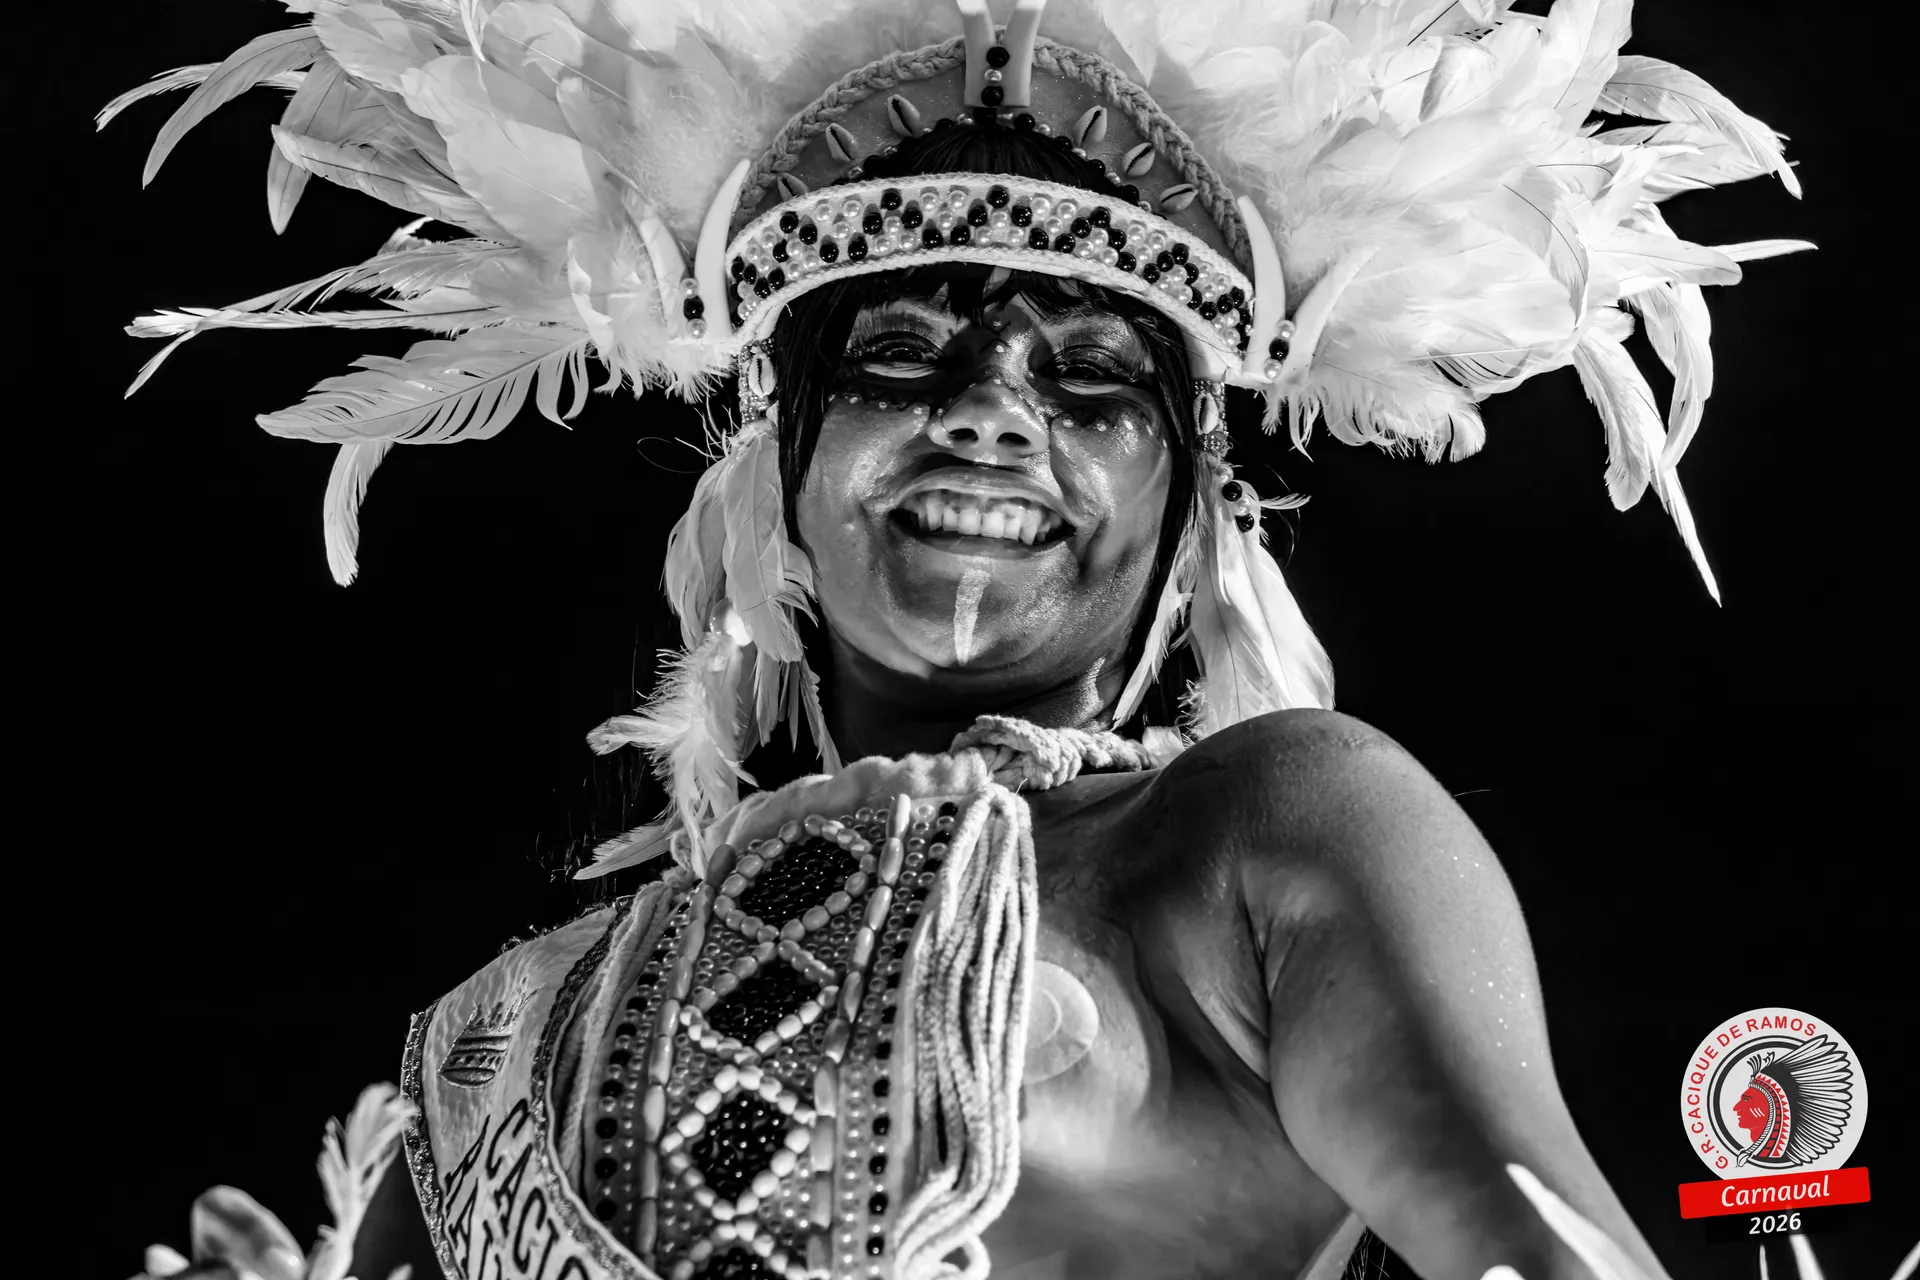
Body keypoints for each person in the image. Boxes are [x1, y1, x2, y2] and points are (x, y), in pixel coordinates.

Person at [108, 2, 1810, 1279]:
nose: (992, 412)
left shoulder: (1269, 828)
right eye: (899, 355)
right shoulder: (503, 1036)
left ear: (1192, 508)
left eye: (1093, 381)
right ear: (777, 468)